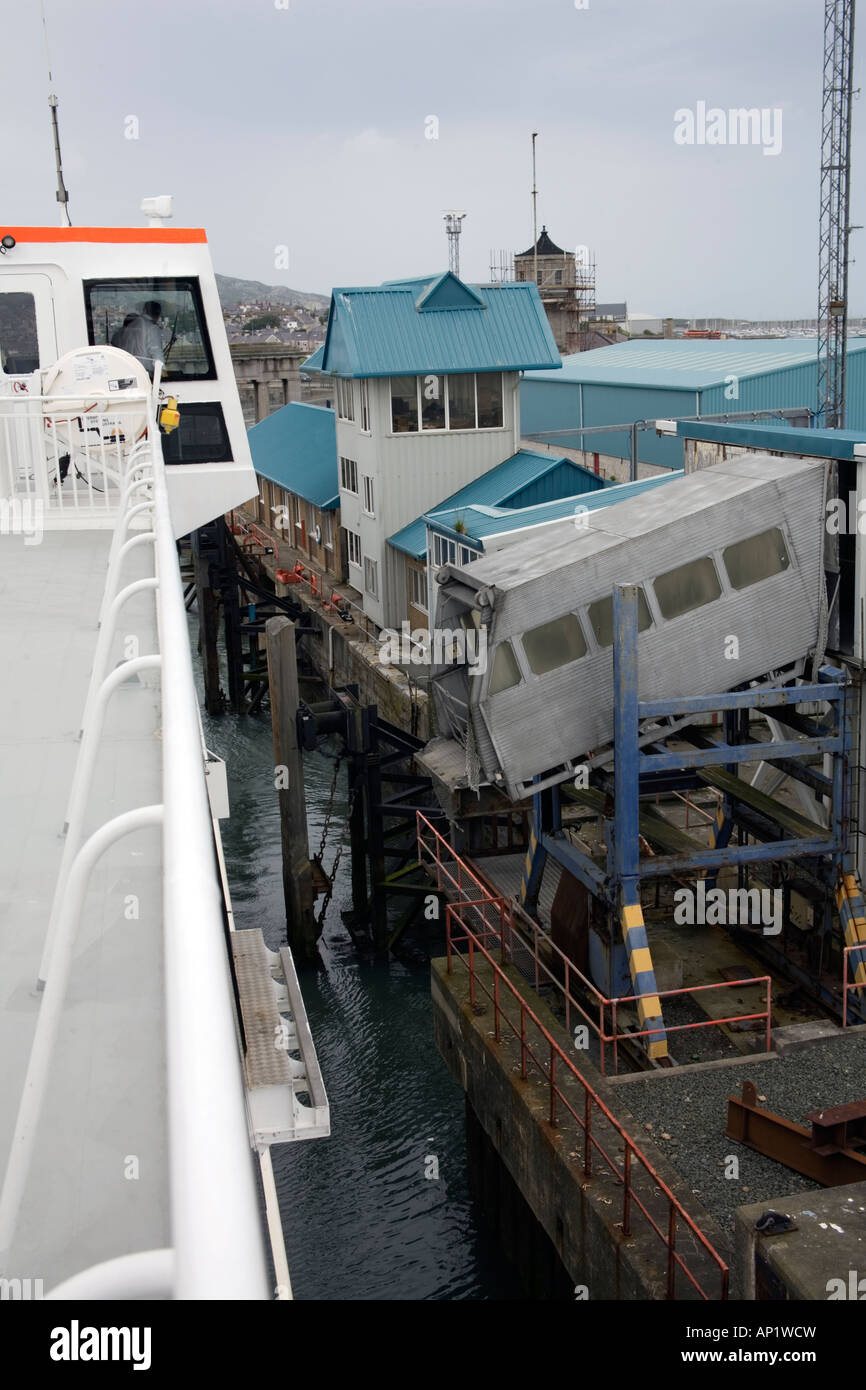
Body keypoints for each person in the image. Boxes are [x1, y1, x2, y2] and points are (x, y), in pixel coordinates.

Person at [111, 300, 164, 375]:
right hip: (144, 372)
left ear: (144, 310)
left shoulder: (129, 327)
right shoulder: (152, 328)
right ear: (158, 314)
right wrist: (163, 372)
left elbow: (114, 342)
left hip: (126, 370)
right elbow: (156, 354)